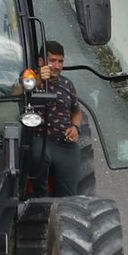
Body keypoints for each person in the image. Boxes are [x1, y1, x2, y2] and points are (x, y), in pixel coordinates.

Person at [31, 39, 86, 196]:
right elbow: (16, 91)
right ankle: (40, 201)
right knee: (39, 155)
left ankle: (66, 206)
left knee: (69, 191)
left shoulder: (67, 85)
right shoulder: (30, 79)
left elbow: (76, 111)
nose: (57, 66)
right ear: (41, 61)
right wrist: (39, 78)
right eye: (52, 61)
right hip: (38, 139)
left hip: (63, 143)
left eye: (60, 61)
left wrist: (75, 127)